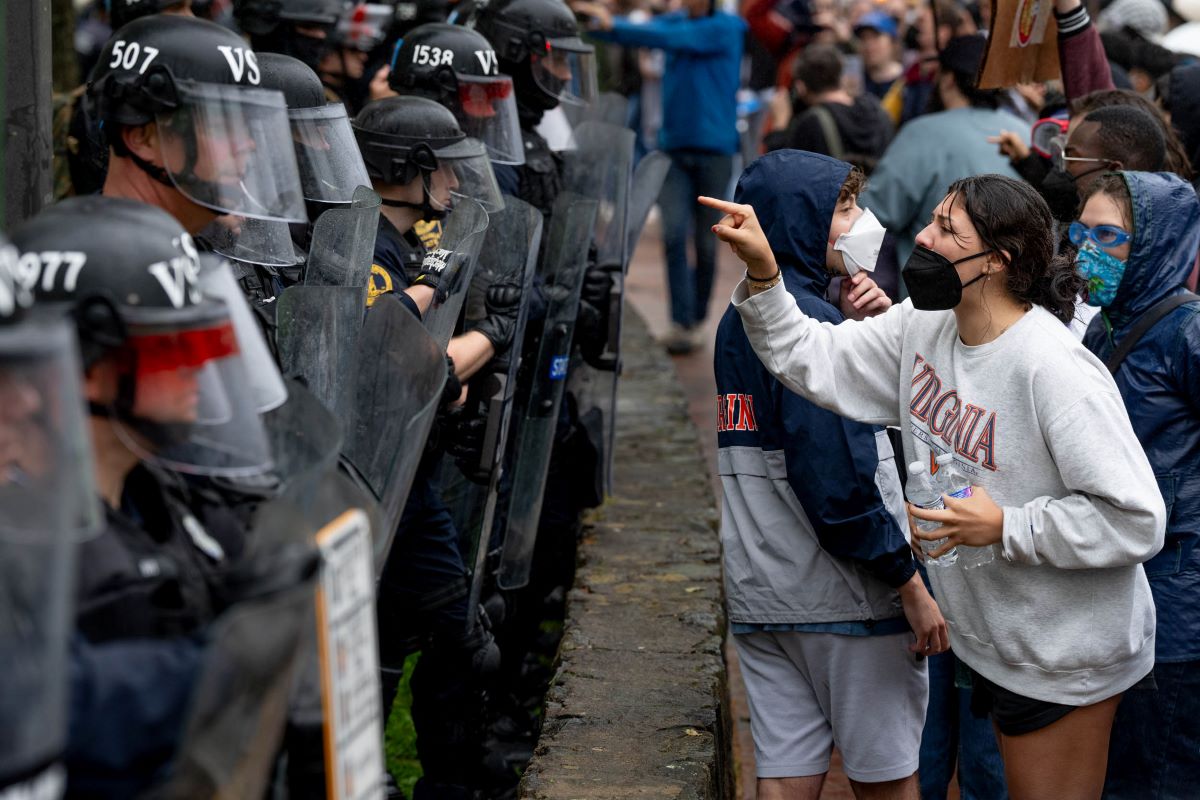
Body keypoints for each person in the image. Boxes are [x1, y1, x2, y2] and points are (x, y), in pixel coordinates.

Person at [703, 172, 1166, 800]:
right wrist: (764, 274)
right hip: (994, 637)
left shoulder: (1052, 368)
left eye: (947, 230)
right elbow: (812, 358)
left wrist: (1006, 525)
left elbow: (1136, 518)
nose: (920, 236)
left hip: (1064, 651)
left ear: (996, 262)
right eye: (933, 219)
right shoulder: (924, 325)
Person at [11, 196, 275, 796]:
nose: (196, 370)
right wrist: (222, 664)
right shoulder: (21, 543)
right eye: (171, 347)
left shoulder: (167, 496)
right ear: (82, 366)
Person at [715, 149, 943, 800]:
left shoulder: (743, 317)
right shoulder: (814, 325)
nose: (860, 221)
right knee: (887, 779)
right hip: (848, 598)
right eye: (843, 207)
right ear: (799, 221)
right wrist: (907, 582)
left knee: (784, 776)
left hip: (765, 592)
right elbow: (835, 482)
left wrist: (855, 321)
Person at [354, 94, 519, 800]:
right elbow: (404, 362)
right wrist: (491, 336)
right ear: (408, 170)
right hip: (374, 477)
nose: (453, 185)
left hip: (407, 474)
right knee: (407, 638)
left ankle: (451, 780)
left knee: (457, 630)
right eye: (443, 172)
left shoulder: (416, 239)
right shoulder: (369, 246)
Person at [1071, 171, 1200, 799]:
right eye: (1081, 232)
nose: (1086, 250)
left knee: (1160, 773)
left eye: (1108, 236)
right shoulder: (1104, 327)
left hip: (1179, 598)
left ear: (1153, 244)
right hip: (1124, 585)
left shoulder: (1186, 332)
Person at [577, 0, 746, 355]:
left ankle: (696, 319)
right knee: (672, 234)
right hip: (674, 150)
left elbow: (663, 35)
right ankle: (681, 322)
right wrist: (593, 20)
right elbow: (653, 29)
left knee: (705, 242)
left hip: (715, 152)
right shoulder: (676, 21)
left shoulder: (726, 27)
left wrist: (609, 25)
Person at [89, 14, 307, 236]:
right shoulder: (101, 264)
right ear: (142, 137)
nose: (248, 144)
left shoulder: (204, 242)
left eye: (246, 125)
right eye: (220, 126)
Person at [862, 34, 1027, 276]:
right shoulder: (1024, 132)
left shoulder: (923, 132)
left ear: (947, 79)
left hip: (936, 297)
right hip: (1014, 290)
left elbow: (875, 211)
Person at [764, 44, 893, 175]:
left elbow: (779, 174)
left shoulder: (810, 124)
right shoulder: (876, 109)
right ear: (840, 75)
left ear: (801, 87)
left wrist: (779, 126)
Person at [855, 11, 903, 102]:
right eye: (863, 38)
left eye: (875, 37)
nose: (869, 44)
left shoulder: (907, 82)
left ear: (892, 41)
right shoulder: (858, 82)